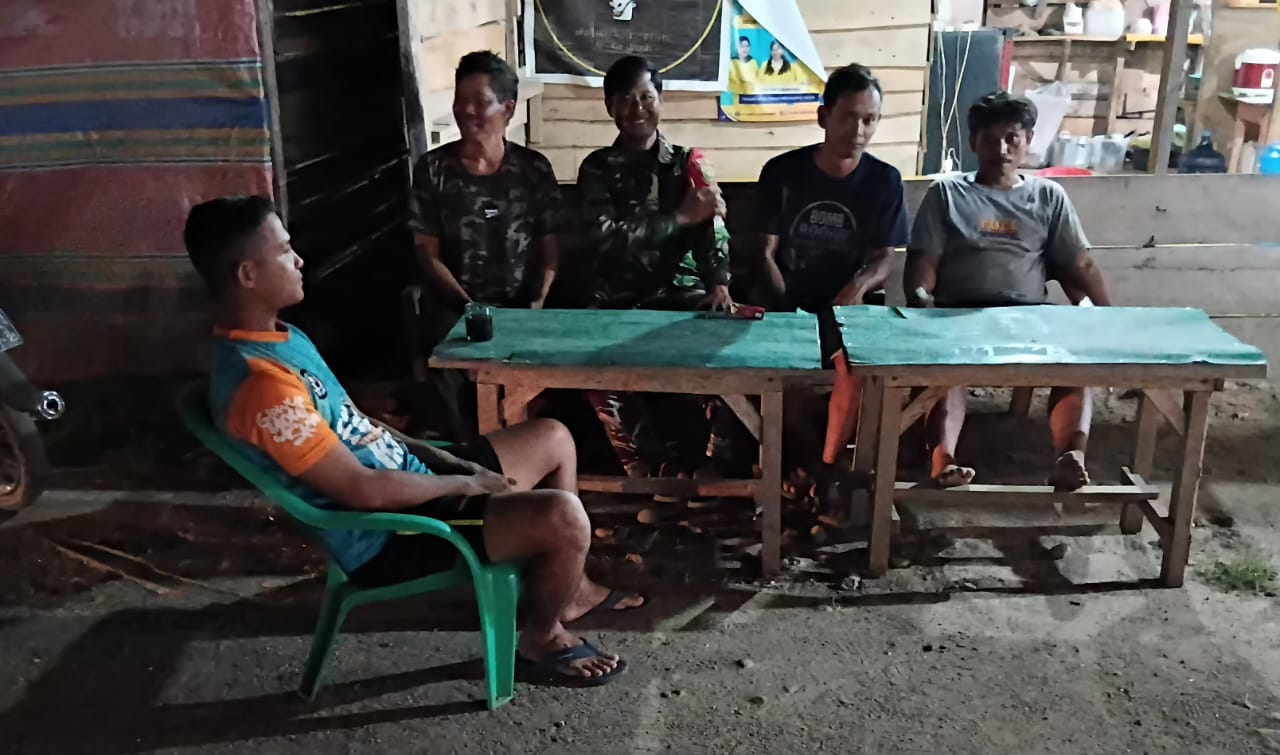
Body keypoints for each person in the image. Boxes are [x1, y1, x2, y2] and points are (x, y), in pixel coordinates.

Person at [186, 195, 639, 686]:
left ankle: (569, 592)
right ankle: (541, 637)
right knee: (564, 518)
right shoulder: (261, 387)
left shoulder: (282, 337)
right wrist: (463, 484)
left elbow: (357, 422)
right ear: (247, 274)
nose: (298, 260)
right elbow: (363, 491)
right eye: (283, 250)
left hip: (413, 484)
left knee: (553, 437)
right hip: (393, 533)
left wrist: (442, 458)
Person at [904, 92, 1112, 491]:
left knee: (1075, 365)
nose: (1001, 149)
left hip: (1030, 318)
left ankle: (1071, 457)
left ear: (1028, 140)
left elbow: (1079, 265)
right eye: (990, 139)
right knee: (944, 371)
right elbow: (922, 265)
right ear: (974, 141)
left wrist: (1109, 319)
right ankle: (943, 459)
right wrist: (922, 301)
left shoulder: (1048, 196)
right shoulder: (947, 194)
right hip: (956, 315)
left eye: (1012, 138)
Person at [576, 55, 742, 483]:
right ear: (609, 107)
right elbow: (605, 238)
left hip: (681, 294)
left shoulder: (688, 162)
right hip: (617, 300)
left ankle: (717, 467)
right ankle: (650, 472)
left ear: (661, 100)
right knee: (596, 372)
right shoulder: (596, 168)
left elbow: (713, 228)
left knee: (734, 356)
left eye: (646, 97)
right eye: (625, 99)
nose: (637, 108)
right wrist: (679, 218)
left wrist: (719, 283)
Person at [755, 63, 908, 505]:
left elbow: (884, 258)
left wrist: (855, 290)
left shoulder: (885, 181)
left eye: (870, 120)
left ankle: (826, 466)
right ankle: (805, 458)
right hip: (790, 297)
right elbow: (764, 252)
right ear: (824, 116)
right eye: (848, 118)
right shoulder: (783, 172)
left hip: (850, 305)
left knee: (852, 363)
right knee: (783, 361)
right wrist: (785, 308)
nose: (859, 131)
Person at [411, 51, 564, 312]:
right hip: (456, 312)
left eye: (480, 102)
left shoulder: (533, 169)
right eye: (460, 100)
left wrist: (538, 302)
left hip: (523, 312)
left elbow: (551, 247)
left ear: (508, 110)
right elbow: (427, 252)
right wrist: (470, 310)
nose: (467, 110)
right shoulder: (433, 169)